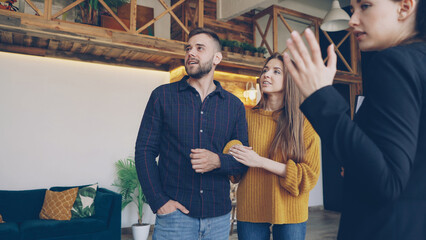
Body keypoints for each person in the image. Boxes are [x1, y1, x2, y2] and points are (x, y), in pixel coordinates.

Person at [283, 0, 426, 239]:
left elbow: (387, 181)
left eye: (365, 6)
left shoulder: (394, 63)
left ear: (405, 6)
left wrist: (321, 98)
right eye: (352, 9)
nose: (352, 20)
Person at [134, 28, 249, 240]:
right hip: (174, 218)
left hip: (219, 218)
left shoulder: (235, 106)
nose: (191, 53)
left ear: (217, 58)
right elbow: (144, 151)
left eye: (199, 48)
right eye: (188, 48)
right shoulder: (162, 96)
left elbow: (243, 161)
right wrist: (158, 201)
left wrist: (218, 161)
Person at [228, 53, 321, 240]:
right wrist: (232, 146)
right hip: (251, 208)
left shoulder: (304, 123)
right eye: (265, 70)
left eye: (276, 71)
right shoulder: (245, 117)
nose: (266, 75)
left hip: (290, 210)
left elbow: (309, 175)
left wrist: (260, 161)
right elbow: (231, 152)